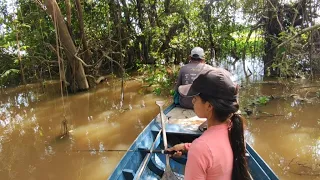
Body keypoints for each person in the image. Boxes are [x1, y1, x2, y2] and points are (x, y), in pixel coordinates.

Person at [168, 68, 251, 180]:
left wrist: (194, 151)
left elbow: (205, 150)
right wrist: (185, 147)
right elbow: (215, 150)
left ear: (209, 106)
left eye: (195, 98)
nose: (192, 101)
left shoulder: (200, 148)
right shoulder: (234, 130)